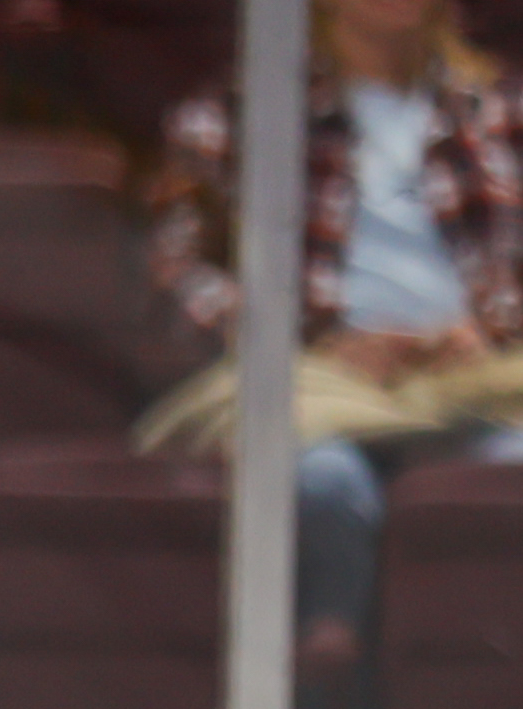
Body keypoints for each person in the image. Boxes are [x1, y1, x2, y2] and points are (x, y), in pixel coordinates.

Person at [143, 0, 523, 646]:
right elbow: (173, 274)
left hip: (475, 382)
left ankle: (475, 691)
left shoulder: (501, 111)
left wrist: (486, 331)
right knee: (323, 485)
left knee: (509, 475)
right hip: (318, 385)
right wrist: (303, 344)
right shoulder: (239, 111)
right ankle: (325, 673)